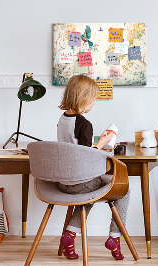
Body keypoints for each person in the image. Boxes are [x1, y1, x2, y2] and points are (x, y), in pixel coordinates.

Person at [57, 75, 130, 260]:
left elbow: (75, 149)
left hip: (63, 182)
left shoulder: (62, 120)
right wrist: (103, 143)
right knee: (123, 189)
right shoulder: (84, 124)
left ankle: (70, 235)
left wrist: (100, 145)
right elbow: (86, 156)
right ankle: (115, 237)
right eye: (93, 99)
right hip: (80, 182)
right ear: (84, 99)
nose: (93, 103)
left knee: (88, 194)